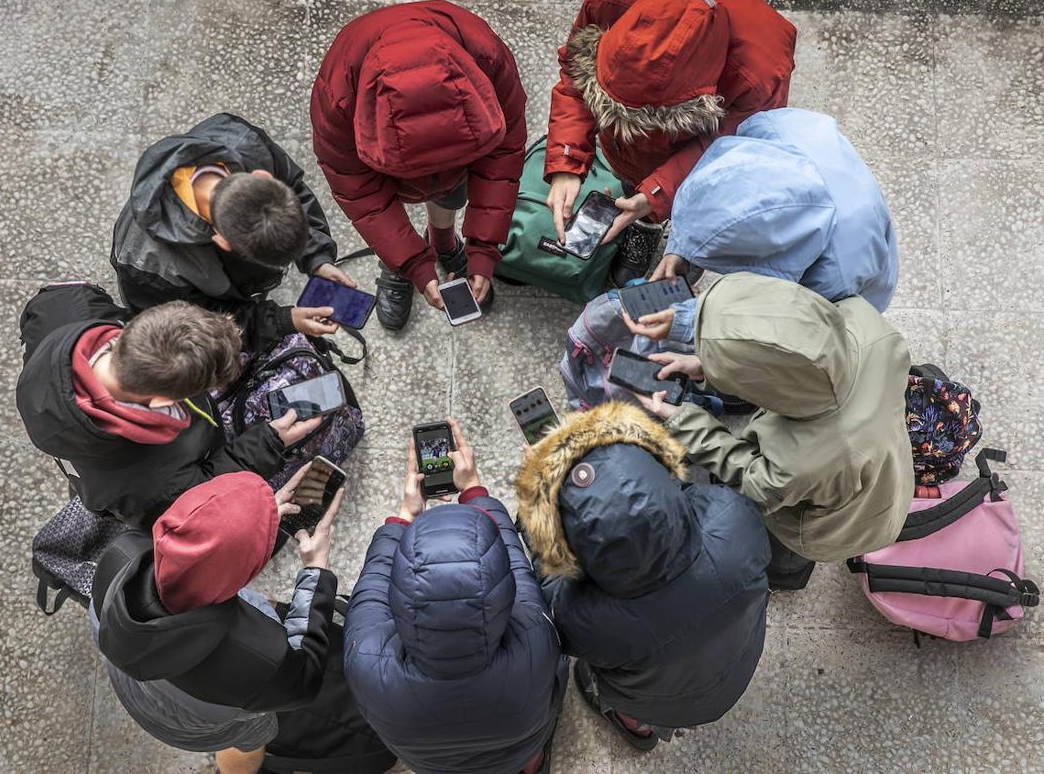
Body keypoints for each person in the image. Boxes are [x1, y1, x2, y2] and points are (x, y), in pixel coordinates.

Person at [515, 401, 769, 752]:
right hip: (736, 669)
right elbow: (679, 499)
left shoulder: (584, 620)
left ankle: (634, 724)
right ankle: (639, 725)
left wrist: (538, 511)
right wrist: (601, 447)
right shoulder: (736, 519)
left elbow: (551, 585)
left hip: (653, 697)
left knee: (625, 690)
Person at [637, 272, 915, 576]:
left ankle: (783, 573)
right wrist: (708, 368)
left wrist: (682, 420)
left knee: (785, 550)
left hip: (836, 529)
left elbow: (754, 480)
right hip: (889, 471)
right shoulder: (869, 326)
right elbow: (784, 342)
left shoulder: (803, 461)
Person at [544, 0, 797, 283]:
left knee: (701, 193)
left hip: (705, 142)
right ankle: (644, 213)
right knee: (634, 181)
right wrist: (567, 159)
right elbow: (577, 76)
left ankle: (664, 227)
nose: (632, 128)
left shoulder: (760, 73)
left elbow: (728, 148)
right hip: (642, 148)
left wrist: (656, 194)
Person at [345, 420, 567, 774]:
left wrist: (404, 516)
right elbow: (518, 568)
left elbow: (369, 592)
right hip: (520, 744)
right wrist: (474, 490)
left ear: (400, 594)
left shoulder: (366, 665)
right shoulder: (536, 641)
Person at [90, 467, 343, 774]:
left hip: (134, 690)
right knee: (250, 742)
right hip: (198, 727)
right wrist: (315, 571)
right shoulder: (260, 657)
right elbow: (305, 678)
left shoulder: (121, 553)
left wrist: (252, 518)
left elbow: (200, 546)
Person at [16, 283, 319, 528]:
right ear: (163, 402)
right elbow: (201, 496)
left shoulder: (69, 303)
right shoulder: (150, 490)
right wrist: (266, 445)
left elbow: (37, 312)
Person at [311, 1, 528, 331]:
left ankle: (442, 242)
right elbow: (362, 194)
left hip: (431, 168)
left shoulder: (488, 60)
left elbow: (503, 154)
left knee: (451, 195)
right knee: (389, 222)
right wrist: (411, 263)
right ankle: (396, 264)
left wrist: (483, 247)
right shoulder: (339, 95)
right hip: (393, 175)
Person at [621, 108, 900, 343]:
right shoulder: (776, 126)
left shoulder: (836, 276)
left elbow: (789, 325)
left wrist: (696, 321)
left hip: (851, 294)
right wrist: (681, 246)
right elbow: (714, 193)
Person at [111, 113, 354, 351]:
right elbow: (192, 329)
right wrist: (281, 321)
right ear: (222, 240)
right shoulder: (144, 262)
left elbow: (295, 191)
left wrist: (317, 258)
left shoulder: (244, 140)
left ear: (263, 177)